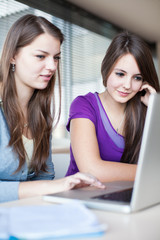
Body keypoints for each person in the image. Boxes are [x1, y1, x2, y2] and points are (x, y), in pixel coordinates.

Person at [0, 14, 105, 203]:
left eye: (56, 58)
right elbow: (46, 185)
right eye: (41, 56)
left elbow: (44, 176)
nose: (52, 66)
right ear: (13, 56)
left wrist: (64, 186)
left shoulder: (41, 114)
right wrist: (52, 186)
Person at [65, 31, 160, 182]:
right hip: (80, 197)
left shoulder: (143, 110)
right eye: (120, 74)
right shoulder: (84, 105)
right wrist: (151, 172)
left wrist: (155, 108)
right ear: (107, 69)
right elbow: (92, 170)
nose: (127, 85)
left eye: (137, 78)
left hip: (126, 197)